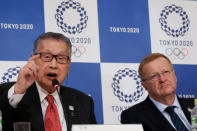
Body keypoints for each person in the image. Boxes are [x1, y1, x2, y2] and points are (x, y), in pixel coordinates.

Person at [0, 32, 97, 131]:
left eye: (60, 58)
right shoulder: (10, 93)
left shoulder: (84, 102)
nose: (53, 65)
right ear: (33, 59)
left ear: (69, 64)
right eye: (47, 57)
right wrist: (19, 90)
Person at [121, 53, 193, 131]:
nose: (162, 79)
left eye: (166, 72)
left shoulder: (194, 105)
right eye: (154, 76)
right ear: (144, 85)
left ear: (174, 75)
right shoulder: (132, 116)